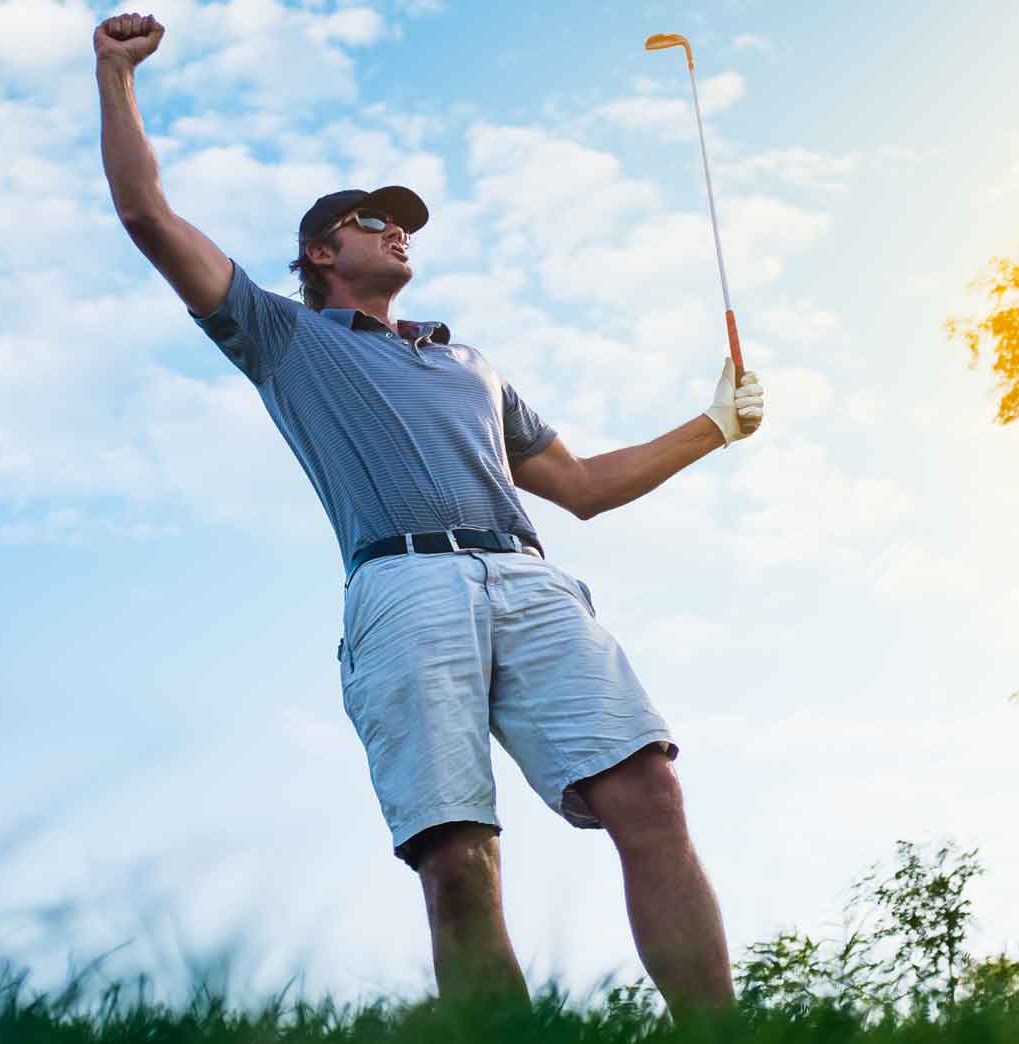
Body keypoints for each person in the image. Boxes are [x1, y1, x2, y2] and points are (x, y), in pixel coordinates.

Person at [93, 11, 765, 1026]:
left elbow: (579, 485)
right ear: (321, 254)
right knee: (458, 863)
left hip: (530, 581)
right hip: (401, 587)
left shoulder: (470, 365)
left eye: (398, 220)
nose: (395, 229)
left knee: (651, 796)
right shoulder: (281, 337)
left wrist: (711, 424)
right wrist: (115, 79)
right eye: (370, 221)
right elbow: (146, 213)